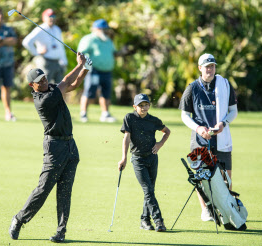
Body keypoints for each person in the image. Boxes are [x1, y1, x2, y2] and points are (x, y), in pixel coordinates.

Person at [9, 52, 91, 243]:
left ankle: (61, 232)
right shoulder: (43, 100)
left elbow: (74, 84)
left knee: (65, 191)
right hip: (54, 147)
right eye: (40, 80)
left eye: (44, 77)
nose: (44, 81)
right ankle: (19, 219)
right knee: (43, 189)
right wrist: (80, 64)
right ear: (32, 85)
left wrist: (86, 68)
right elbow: (66, 81)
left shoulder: (52, 89)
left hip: (71, 145)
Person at [178, 53, 238, 221]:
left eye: (212, 66)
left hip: (222, 138)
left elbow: (233, 111)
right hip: (200, 139)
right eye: (207, 66)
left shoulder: (225, 85)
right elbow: (184, 115)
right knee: (201, 177)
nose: (210, 69)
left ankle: (226, 209)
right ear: (200, 68)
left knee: (226, 177)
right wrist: (198, 129)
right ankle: (206, 210)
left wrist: (223, 123)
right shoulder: (192, 88)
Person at [118, 94, 171, 232]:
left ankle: (145, 220)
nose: (143, 107)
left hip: (152, 158)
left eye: (146, 105)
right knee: (148, 190)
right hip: (138, 159)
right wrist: (123, 158)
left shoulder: (153, 120)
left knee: (150, 191)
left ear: (149, 106)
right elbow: (126, 138)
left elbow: (167, 131)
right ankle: (159, 221)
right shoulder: (129, 118)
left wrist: (160, 144)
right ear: (135, 107)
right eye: (140, 105)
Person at [78, 19, 117, 123]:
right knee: (90, 91)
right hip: (93, 70)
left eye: (106, 29)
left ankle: (105, 114)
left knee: (106, 93)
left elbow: (114, 53)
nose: (106, 31)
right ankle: (83, 114)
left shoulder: (108, 41)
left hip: (107, 71)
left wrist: (124, 52)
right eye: (103, 29)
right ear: (96, 29)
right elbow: (81, 53)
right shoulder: (89, 39)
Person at [22, 8, 67, 85]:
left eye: (53, 16)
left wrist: (64, 61)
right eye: (49, 16)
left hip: (58, 62)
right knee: (44, 87)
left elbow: (60, 46)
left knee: (59, 88)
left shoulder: (57, 29)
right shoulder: (40, 29)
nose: (52, 18)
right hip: (46, 62)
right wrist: (36, 53)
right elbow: (26, 42)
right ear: (44, 18)